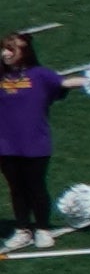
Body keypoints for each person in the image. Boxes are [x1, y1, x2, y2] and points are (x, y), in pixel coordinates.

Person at [0, 35, 65, 245]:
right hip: (5, 144)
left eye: (11, 50)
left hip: (35, 143)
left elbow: (63, 84)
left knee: (36, 186)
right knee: (16, 188)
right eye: (3, 49)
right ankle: (22, 229)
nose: (5, 54)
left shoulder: (40, 75)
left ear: (24, 52)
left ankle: (43, 228)